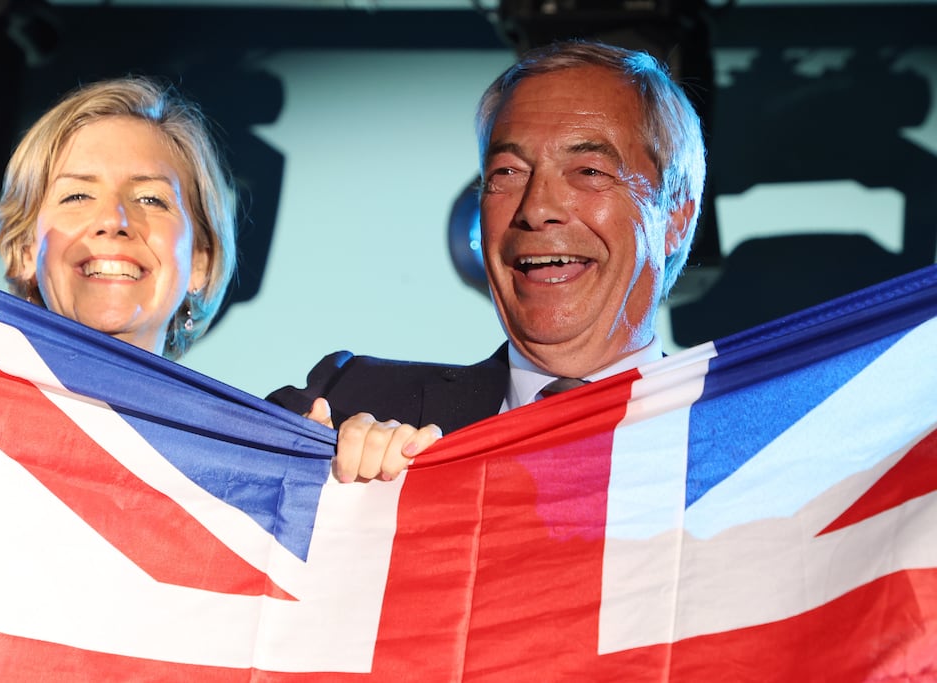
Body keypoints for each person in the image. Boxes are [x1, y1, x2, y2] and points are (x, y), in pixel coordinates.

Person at [269, 39, 706, 480]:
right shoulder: (350, 398)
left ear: (675, 218)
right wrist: (311, 472)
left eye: (589, 172)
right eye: (507, 174)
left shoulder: (753, 457)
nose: (535, 209)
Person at [0, 75, 237, 360]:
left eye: (150, 199)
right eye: (78, 196)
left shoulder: (276, 407)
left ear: (200, 264)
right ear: (25, 252)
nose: (113, 221)